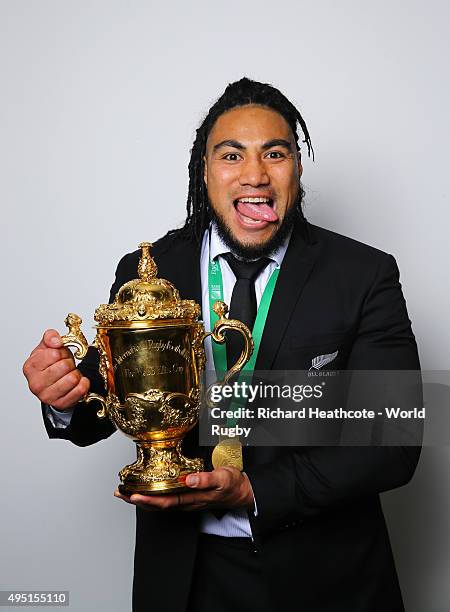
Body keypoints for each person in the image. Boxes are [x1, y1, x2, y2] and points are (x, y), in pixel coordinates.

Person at [23, 77, 421, 612]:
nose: (255, 174)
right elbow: (111, 403)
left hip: (328, 580)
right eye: (231, 155)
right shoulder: (148, 271)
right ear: (204, 172)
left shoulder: (364, 273)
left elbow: (393, 442)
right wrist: (63, 394)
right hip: (185, 581)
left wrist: (254, 490)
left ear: (297, 171)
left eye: (274, 154)